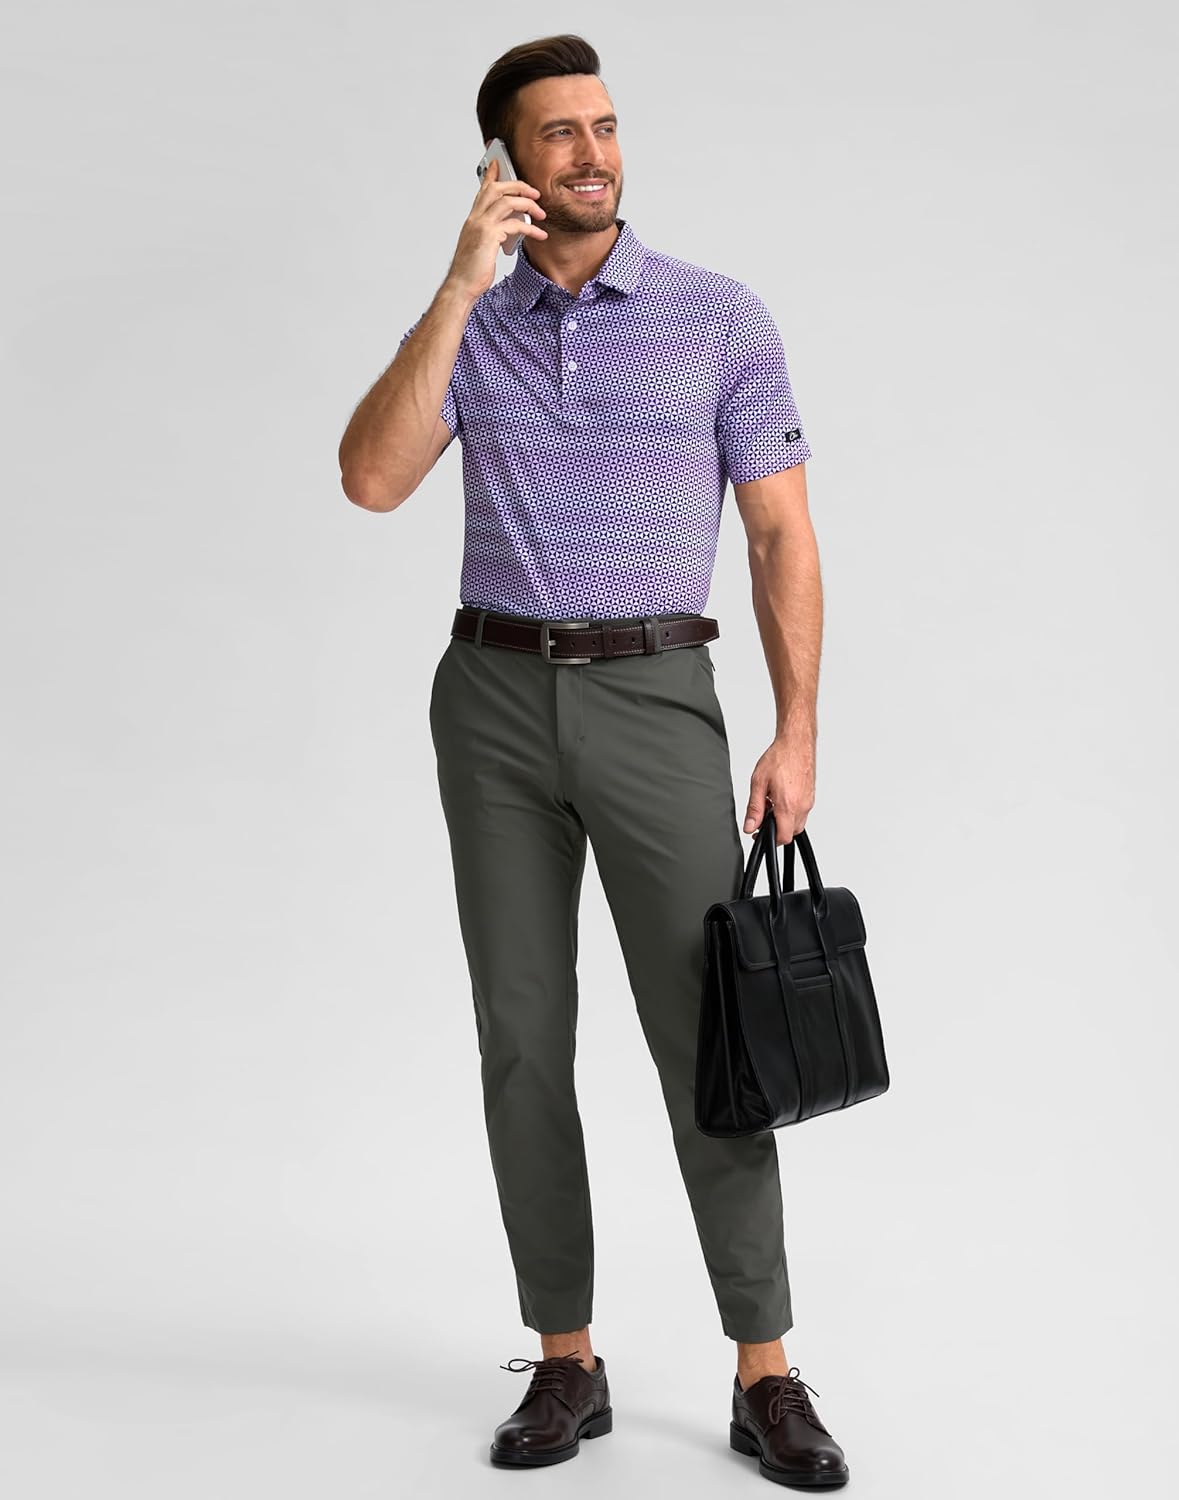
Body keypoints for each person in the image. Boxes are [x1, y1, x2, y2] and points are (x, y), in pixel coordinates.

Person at [337, 33, 847, 1489]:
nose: (591, 154)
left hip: (655, 691)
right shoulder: (473, 325)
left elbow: (780, 532)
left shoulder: (714, 315)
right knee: (521, 1037)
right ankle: (565, 1356)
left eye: (604, 126)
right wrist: (457, 287)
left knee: (712, 1038)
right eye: (558, 133)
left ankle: (766, 1373)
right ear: (503, 162)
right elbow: (371, 479)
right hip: (492, 698)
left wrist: (797, 728)